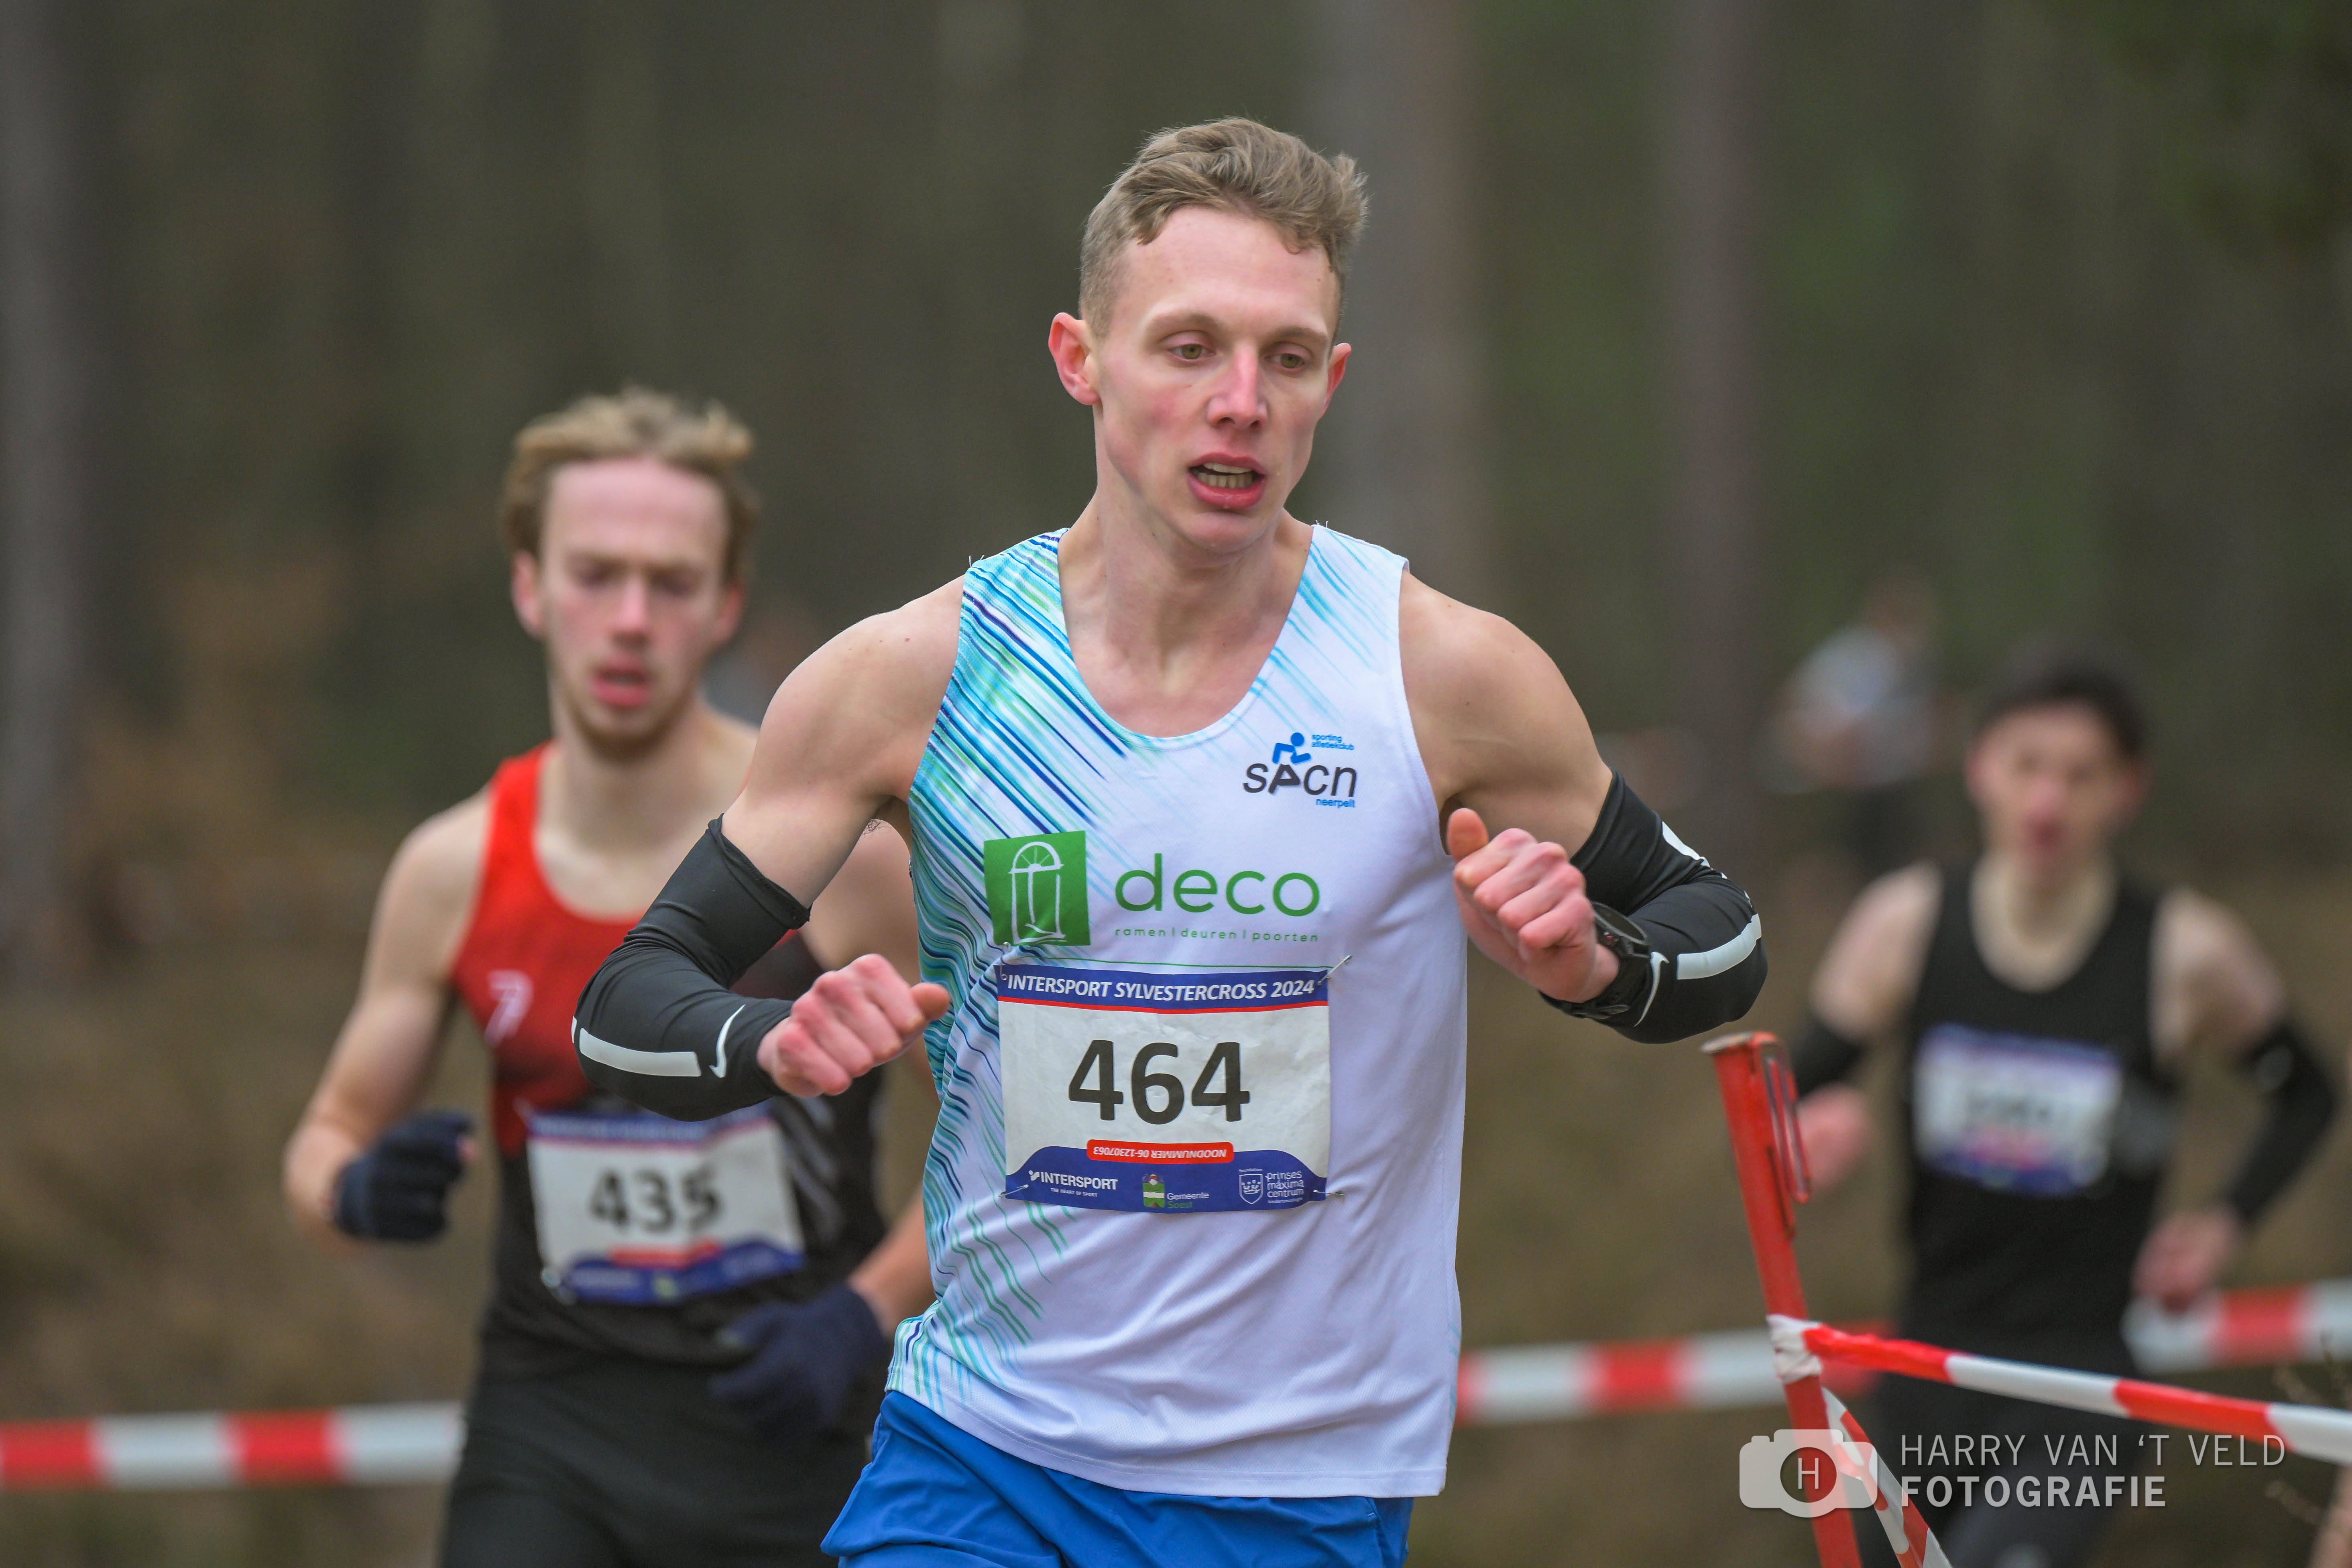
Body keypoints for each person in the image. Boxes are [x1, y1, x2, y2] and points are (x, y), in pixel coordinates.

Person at [569, 120, 1768, 1568]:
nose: (1239, 404)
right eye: (1189, 348)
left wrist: (1596, 969)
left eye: (1285, 358)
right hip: (981, 1455)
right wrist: (769, 1039)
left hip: (1296, 1485)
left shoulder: (1438, 673)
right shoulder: (919, 678)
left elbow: (1721, 934)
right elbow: (624, 1005)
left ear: (1332, 384)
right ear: (1080, 359)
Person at [282, 389, 934, 1568]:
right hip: (554, 1424)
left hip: (799, 1413)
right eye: (595, 575)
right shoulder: (452, 870)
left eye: (672, 583)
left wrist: (866, 1308)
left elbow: (1010, 1139)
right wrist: (355, 1193)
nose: (630, 620)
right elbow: (325, 1138)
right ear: (531, 587)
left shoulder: (844, 859)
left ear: (725, 605)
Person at [1792, 649, 2338, 1568]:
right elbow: (1783, 1099)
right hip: (1927, 1365)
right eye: (2026, 766)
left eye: (2081, 776)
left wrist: (2224, 1223)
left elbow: (2307, 1095)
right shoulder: (1905, 924)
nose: (2047, 803)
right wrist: (1804, 1134)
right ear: (1979, 768)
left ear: (2129, 789)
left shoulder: (2185, 951)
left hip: (2080, 1384)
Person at [1766, 567, 1946, 877]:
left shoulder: (1914, 665)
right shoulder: (1860, 660)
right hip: (1843, 785)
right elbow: (1819, 724)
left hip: (1890, 783)